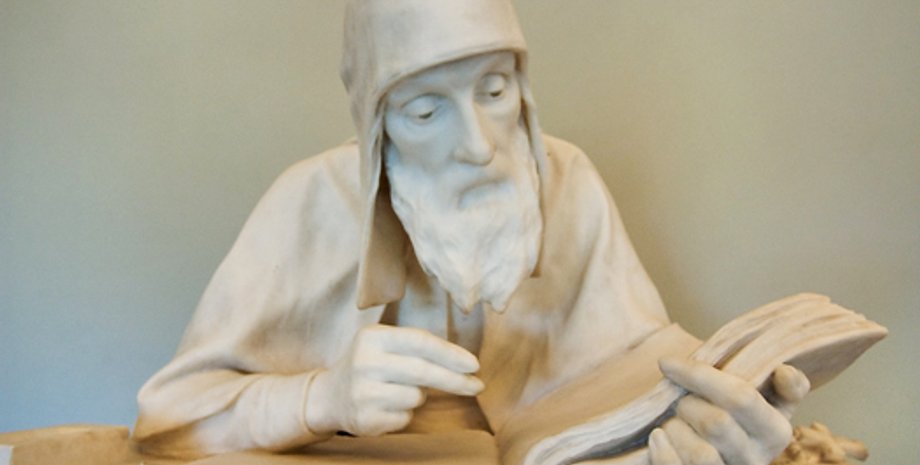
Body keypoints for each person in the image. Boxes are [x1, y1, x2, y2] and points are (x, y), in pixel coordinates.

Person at [134, 2, 809, 464]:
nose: (480, 146)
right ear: (378, 125)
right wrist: (321, 397)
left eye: (493, 91)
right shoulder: (309, 202)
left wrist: (726, 399)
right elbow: (169, 419)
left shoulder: (566, 179)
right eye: (426, 112)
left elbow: (635, 361)